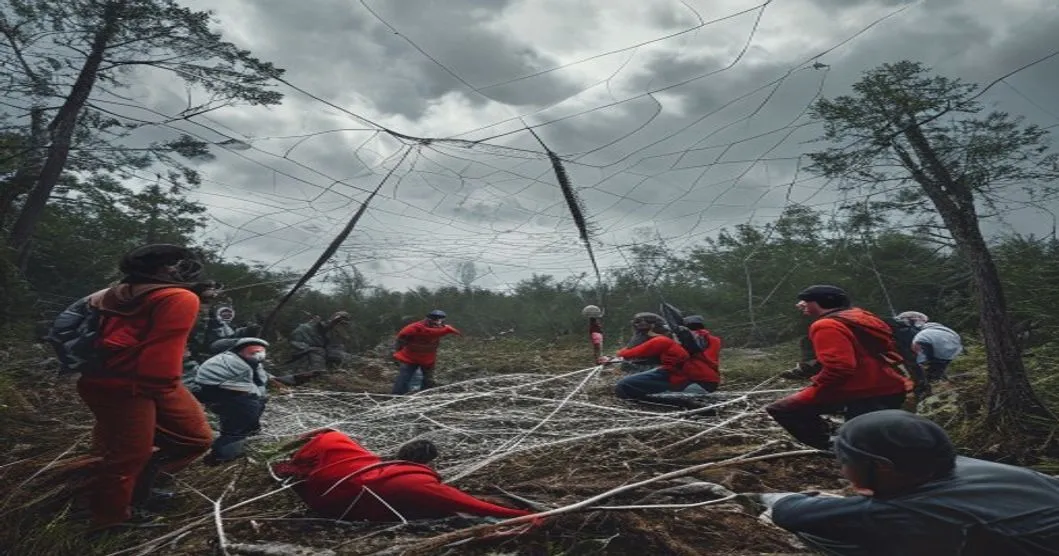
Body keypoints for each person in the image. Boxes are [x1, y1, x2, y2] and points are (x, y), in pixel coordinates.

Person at [759, 410, 1059, 555]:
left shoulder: (909, 513)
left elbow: (792, 512)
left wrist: (774, 498)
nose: (840, 471)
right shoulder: (988, 470)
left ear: (882, 467)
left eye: (844, 461)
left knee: (829, 539)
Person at [75, 244, 214, 531]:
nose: (185, 267)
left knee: (195, 439)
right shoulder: (180, 297)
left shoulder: (116, 291)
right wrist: (189, 298)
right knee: (129, 456)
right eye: (178, 263)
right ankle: (109, 519)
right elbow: (159, 361)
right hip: (137, 385)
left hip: (101, 378)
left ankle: (134, 489)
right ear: (164, 269)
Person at [272, 430, 531, 521]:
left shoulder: (358, 460)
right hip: (335, 508)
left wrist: (284, 451)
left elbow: (329, 435)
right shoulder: (415, 482)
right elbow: (472, 505)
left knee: (335, 437)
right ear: (429, 462)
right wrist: (525, 516)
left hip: (316, 495)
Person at [765, 285, 909, 450]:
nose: (801, 304)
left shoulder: (826, 325)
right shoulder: (859, 316)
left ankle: (831, 447)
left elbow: (840, 367)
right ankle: (845, 439)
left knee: (783, 409)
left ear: (821, 302)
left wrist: (817, 383)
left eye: (806, 300)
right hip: (890, 384)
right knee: (869, 435)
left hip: (863, 390)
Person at [188, 338, 316, 465]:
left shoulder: (249, 362)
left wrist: (292, 379)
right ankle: (221, 458)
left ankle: (245, 439)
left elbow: (264, 378)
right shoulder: (232, 363)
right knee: (239, 424)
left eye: (261, 351)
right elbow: (246, 390)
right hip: (224, 394)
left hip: (235, 394)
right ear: (240, 351)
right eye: (254, 351)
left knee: (250, 416)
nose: (259, 354)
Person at [613, 316, 719, 402]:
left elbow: (629, 353)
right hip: (696, 377)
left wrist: (615, 355)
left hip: (694, 381)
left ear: (652, 327)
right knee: (628, 384)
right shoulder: (704, 340)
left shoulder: (662, 341)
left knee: (625, 386)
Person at [391, 310, 462, 395]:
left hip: (428, 359)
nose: (437, 322)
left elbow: (459, 333)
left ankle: (424, 395)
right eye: (434, 319)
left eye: (440, 320)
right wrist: (398, 352)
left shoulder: (444, 328)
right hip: (410, 357)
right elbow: (401, 339)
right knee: (404, 377)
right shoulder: (414, 327)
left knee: (427, 379)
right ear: (428, 319)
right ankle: (398, 396)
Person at [897, 311, 963, 392]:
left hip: (927, 344)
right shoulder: (935, 326)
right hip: (953, 343)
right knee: (943, 368)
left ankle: (932, 388)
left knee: (928, 369)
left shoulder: (909, 331)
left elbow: (915, 355)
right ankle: (943, 384)